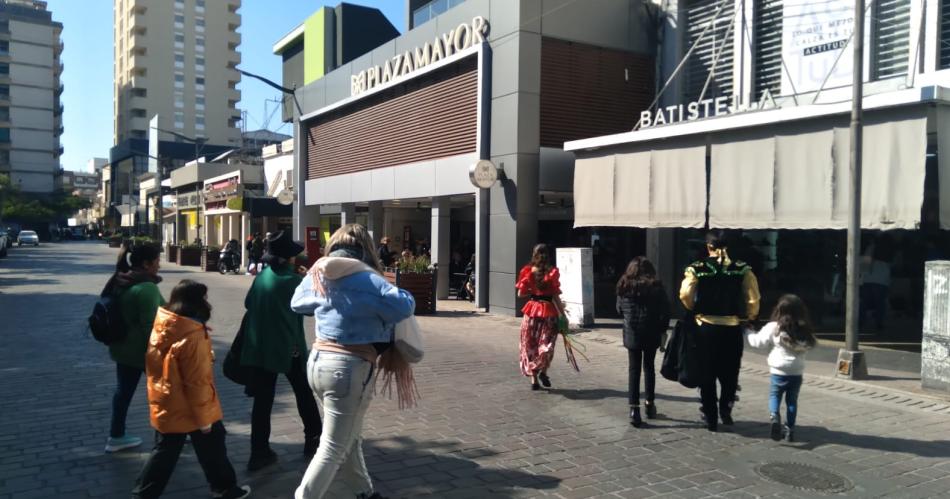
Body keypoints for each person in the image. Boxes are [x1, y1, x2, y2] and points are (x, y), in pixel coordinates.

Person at [291, 223, 415, 499]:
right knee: (333, 446)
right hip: (350, 367)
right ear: (366, 248)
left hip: (317, 362)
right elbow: (404, 306)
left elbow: (297, 303)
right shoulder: (369, 278)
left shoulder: (319, 272)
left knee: (349, 435)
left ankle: (364, 491)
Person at [132, 281, 251, 499]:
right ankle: (224, 489)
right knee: (209, 444)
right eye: (204, 298)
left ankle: (223, 487)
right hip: (190, 405)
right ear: (195, 303)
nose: (207, 303)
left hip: (168, 400)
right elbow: (197, 382)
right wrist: (204, 418)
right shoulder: (191, 336)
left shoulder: (166, 324)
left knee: (168, 451)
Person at [241, 231, 322, 471]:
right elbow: (310, 309)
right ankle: (314, 441)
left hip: (260, 348)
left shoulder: (262, 276)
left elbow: (248, 304)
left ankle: (259, 451)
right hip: (289, 348)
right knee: (304, 394)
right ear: (289, 258)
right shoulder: (293, 281)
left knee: (263, 402)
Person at [679, 231, 760, 431]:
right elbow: (753, 297)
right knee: (730, 372)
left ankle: (710, 416)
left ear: (708, 247)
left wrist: (692, 309)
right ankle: (726, 408)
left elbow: (685, 293)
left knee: (707, 372)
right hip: (731, 327)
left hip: (706, 326)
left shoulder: (697, 268)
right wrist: (750, 317)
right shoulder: (741, 268)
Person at [100, 242, 165, 453]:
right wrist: (162, 353)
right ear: (146, 264)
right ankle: (168, 433)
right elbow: (151, 326)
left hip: (122, 348)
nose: (159, 265)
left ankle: (116, 435)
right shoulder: (146, 288)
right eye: (157, 261)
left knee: (123, 393)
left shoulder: (121, 280)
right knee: (164, 393)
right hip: (143, 351)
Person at [746, 294, 817, 442]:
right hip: (796, 372)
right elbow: (810, 344)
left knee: (775, 396)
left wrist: (748, 332)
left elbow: (757, 342)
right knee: (792, 401)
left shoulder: (774, 327)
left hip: (778, 371)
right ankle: (790, 429)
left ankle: (774, 418)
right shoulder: (804, 329)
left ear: (779, 310)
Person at [616, 257, 670, 428]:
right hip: (651, 331)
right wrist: (663, 330)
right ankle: (649, 403)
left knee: (634, 370)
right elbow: (666, 310)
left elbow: (619, 309)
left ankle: (634, 409)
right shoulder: (656, 287)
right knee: (649, 368)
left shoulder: (624, 285)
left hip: (632, 333)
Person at [515, 244, 565, 391]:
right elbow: (555, 297)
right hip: (549, 312)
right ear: (548, 256)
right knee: (546, 345)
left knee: (530, 345)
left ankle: (534, 380)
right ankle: (543, 371)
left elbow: (520, 294)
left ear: (534, 255)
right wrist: (563, 315)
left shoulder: (528, 272)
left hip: (531, 312)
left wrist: (532, 290)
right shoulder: (552, 273)